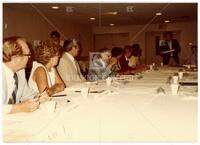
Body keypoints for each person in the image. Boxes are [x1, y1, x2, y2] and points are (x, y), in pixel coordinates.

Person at [2, 36, 48, 114]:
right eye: (28, 55)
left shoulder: (19, 73)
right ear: (16, 58)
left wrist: (39, 97)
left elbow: (27, 94)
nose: (30, 58)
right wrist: (19, 108)